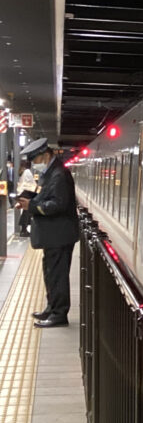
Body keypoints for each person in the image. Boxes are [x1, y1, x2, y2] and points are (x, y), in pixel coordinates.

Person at [14, 138, 79, 327]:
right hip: (53, 235)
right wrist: (30, 199)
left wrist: (32, 206)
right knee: (50, 273)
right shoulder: (51, 173)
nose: (35, 164)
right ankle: (51, 308)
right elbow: (46, 196)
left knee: (57, 275)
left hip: (59, 234)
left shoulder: (59, 174)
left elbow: (58, 204)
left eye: (35, 160)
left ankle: (59, 314)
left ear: (45, 155)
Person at [16, 160, 35, 237]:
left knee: (26, 213)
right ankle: (23, 231)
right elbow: (31, 183)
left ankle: (24, 230)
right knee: (27, 213)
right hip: (26, 194)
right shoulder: (27, 171)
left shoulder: (23, 171)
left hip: (23, 193)